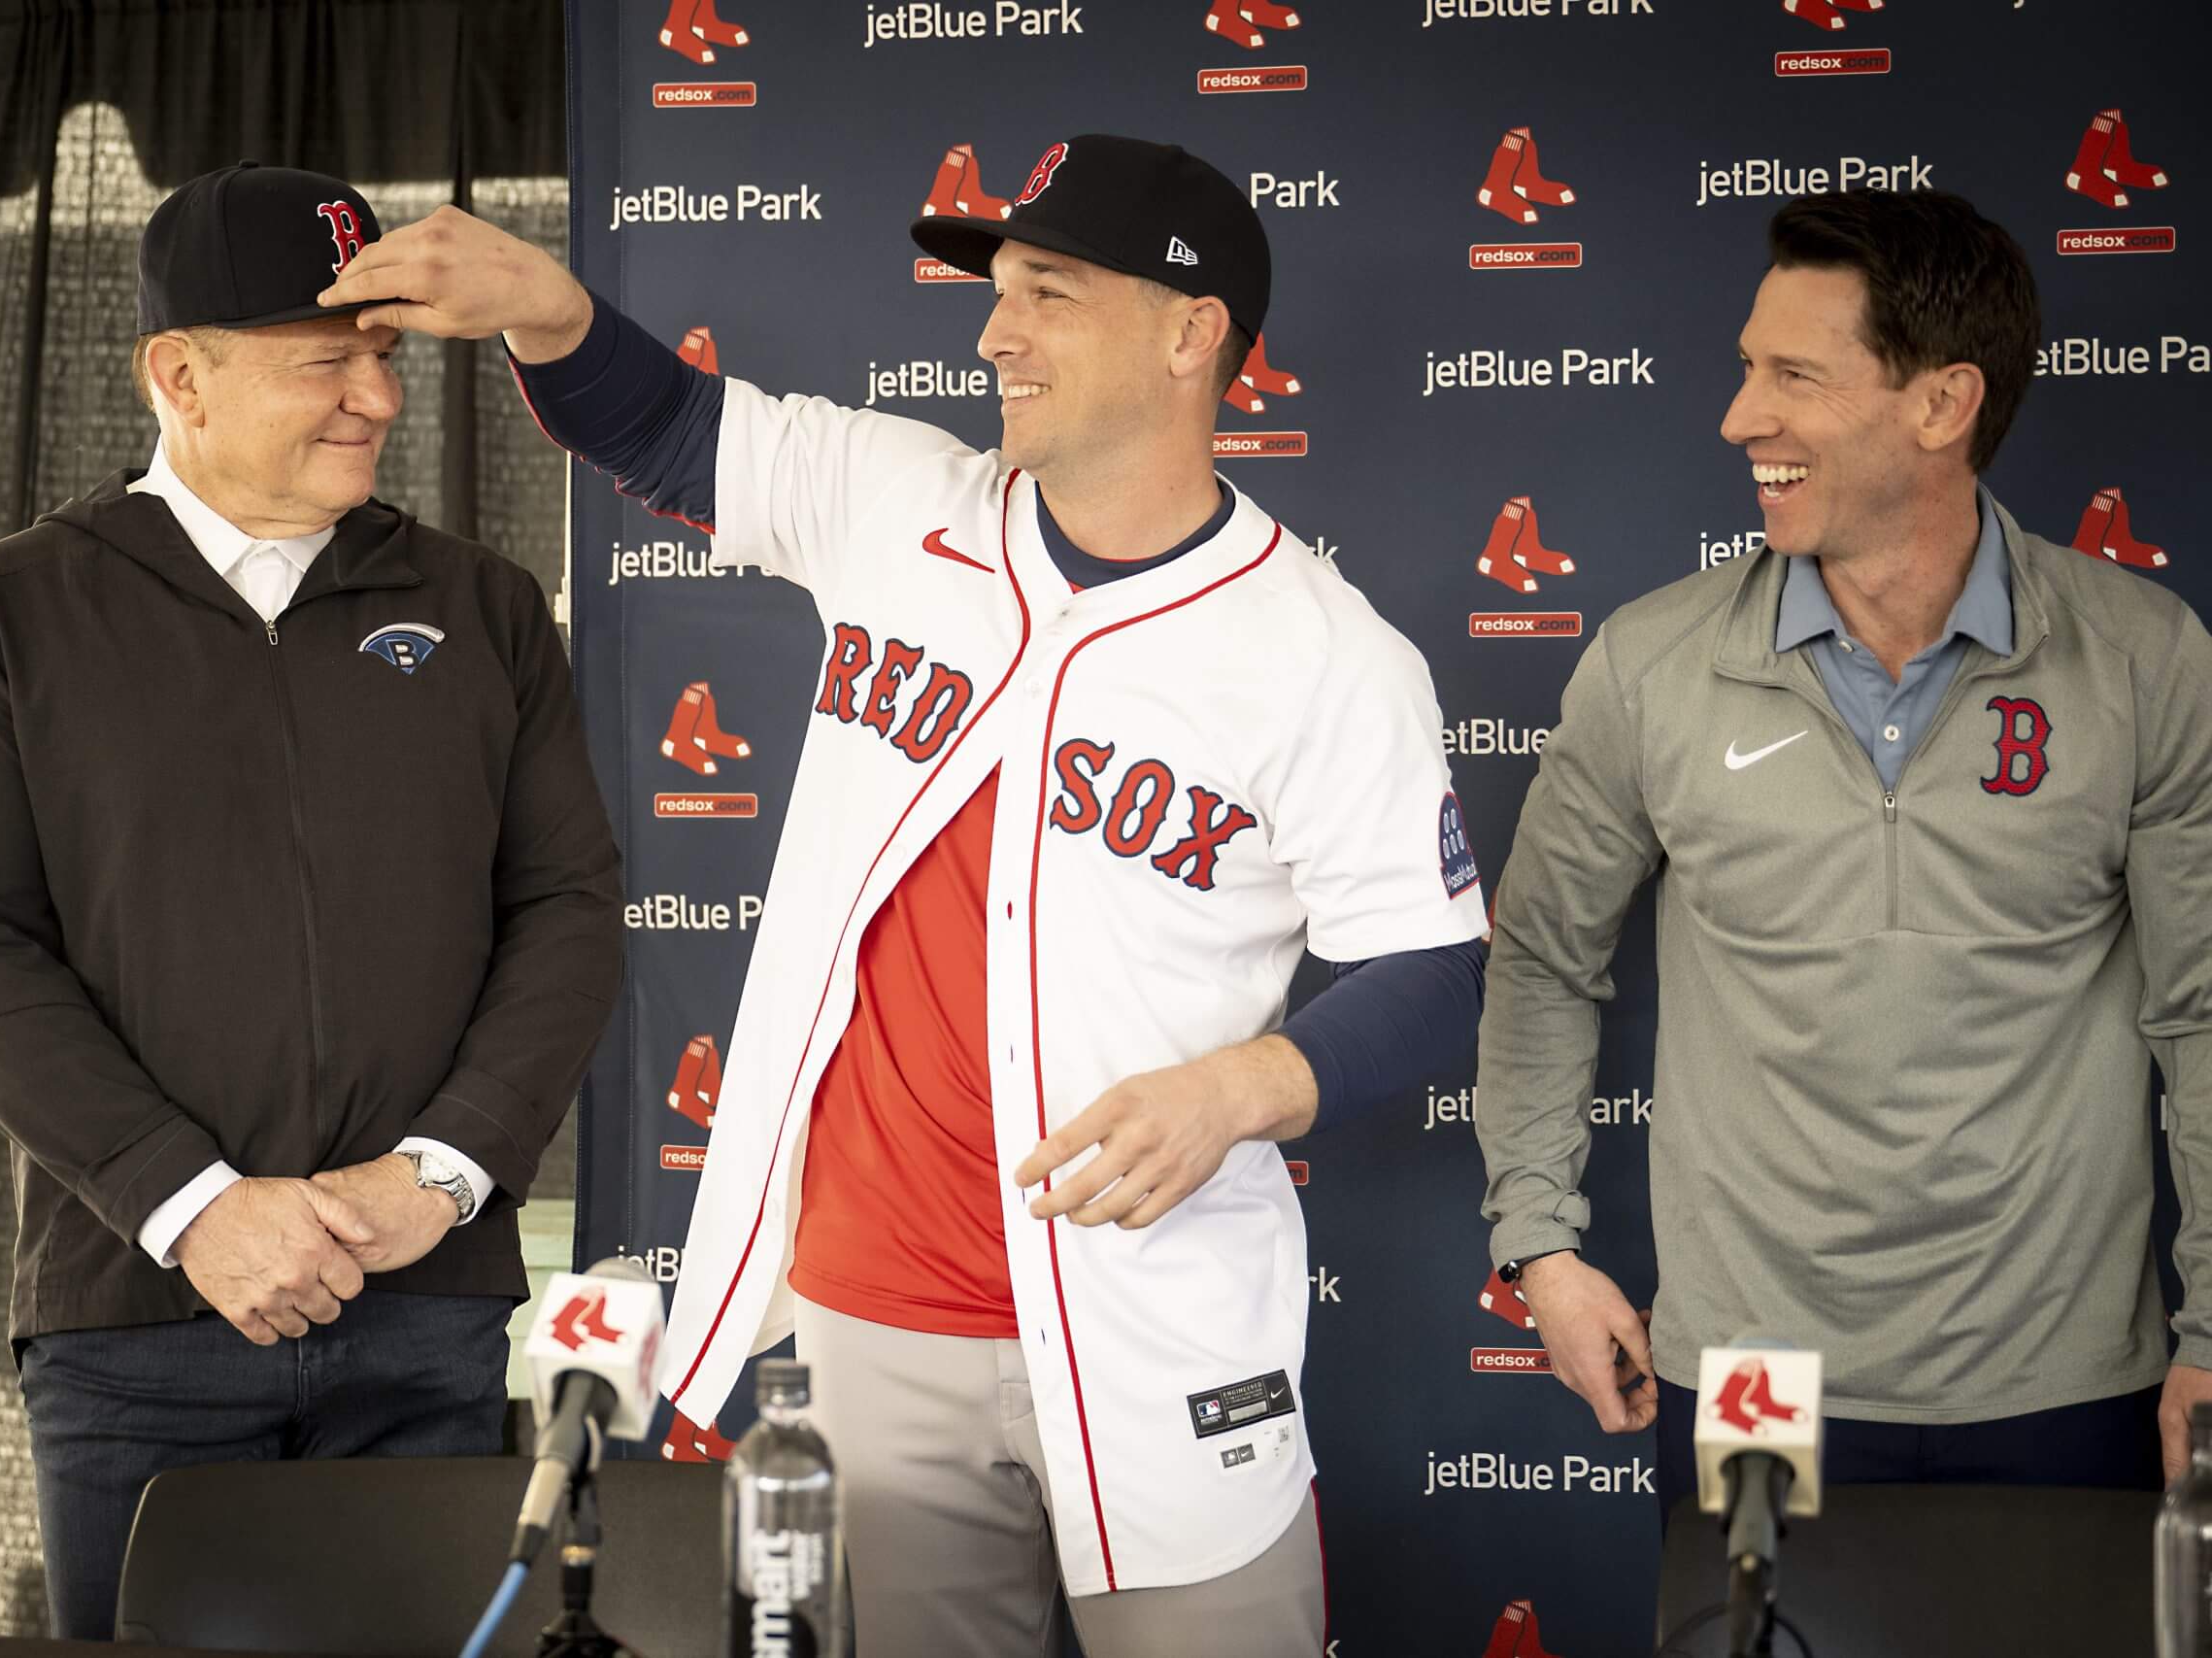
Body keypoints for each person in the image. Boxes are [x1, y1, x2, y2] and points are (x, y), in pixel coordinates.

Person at [320, 135, 1487, 1655]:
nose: (998, 333)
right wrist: (549, 311)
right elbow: (665, 426)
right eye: (999, 291)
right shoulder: (898, 500)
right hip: (872, 1323)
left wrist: (1238, 1089)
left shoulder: (1327, 656)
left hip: (1160, 1327)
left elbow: (1431, 966)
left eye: (1049, 292)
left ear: (1191, 333)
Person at [0, 161, 624, 1639]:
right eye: (323, 362)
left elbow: (567, 907)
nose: (377, 396)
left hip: (423, 1312)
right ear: (181, 377)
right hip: (140, 1320)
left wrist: (440, 1177)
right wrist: (193, 1206)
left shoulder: (482, 607)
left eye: (385, 354)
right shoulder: (8, 612)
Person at [1474, 188, 2212, 1523]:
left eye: (1794, 377)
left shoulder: (2142, 658)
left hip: (2061, 1380)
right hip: (1755, 1374)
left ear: (1942, 404)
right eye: (1747, 367)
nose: (1738, 417)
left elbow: (2204, 1011)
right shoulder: (1652, 662)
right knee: (1757, 1625)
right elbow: (1538, 960)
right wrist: (1537, 1243)